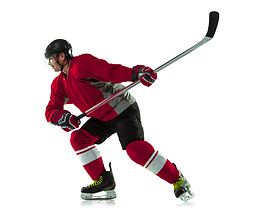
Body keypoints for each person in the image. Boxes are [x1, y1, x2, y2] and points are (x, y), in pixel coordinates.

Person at [44, 39, 194, 201]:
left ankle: (177, 179)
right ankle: (105, 181)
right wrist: (62, 118)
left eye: (52, 59)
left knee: (136, 150)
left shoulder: (81, 64)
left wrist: (135, 74)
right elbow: (51, 109)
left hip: (121, 107)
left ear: (62, 56)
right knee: (79, 138)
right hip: (101, 116)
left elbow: (110, 71)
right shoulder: (59, 84)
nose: (50, 64)